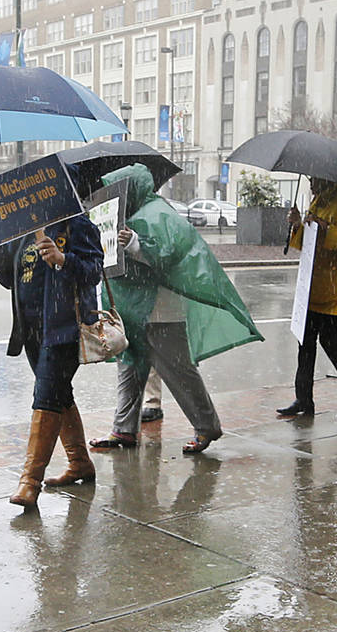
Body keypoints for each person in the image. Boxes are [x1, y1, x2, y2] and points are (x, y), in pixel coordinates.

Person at [86, 163, 261, 455]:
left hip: (161, 312)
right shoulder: (132, 215)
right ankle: (123, 429)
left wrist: (135, 245)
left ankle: (207, 427)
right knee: (130, 369)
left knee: (179, 372)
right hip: (135, 310)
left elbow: (165, 256)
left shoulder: (158, 214)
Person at [0, 211, 105, 508]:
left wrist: (62, 258)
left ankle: (29, 482)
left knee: (45, 397)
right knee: (58, 395)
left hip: (64, 329)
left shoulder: (77, 223)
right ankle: (79, 463)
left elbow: (93, 270)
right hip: (32, 330)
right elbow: (8, 277)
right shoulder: (24, 226)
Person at [278, 176, 337, 419]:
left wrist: (327, 228)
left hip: (332, 287)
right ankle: (304, 398)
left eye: (315, 179)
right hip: (312, 284)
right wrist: (297, 225)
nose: (311, 183)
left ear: (327, 179)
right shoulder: (317, 202)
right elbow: (307, 243)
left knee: (330, 341)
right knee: (305, 342)